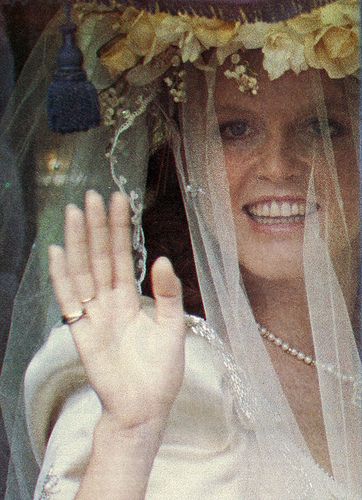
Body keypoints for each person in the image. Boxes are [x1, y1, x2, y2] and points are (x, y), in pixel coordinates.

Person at [0, 0, 361, 498]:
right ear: (183, 155)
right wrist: (128, 434)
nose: (279, 166)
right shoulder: (158, 366)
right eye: (235, 130)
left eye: (322, 127)